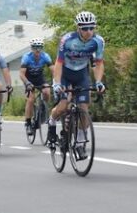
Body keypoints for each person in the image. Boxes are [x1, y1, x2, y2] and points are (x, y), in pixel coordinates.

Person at [47, 11, 106, 161]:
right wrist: (58, 83)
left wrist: (98, 81)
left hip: (81, 74)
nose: (88, 32)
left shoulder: (98, 41)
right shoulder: (67, 40)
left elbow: (98, 63)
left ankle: (80, 142)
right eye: (85, 28)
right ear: (78, 28)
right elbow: (58, 63)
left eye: (91, 28)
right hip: (65, 74)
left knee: (84, 107)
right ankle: (52, 121)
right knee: (63, 105)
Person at [19, 37, 53, 135]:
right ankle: (28, 123)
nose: (37, 50)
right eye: (35, 48)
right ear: (32, 48)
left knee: (47, 92)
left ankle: (42, 112)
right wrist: (27, 83)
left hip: (40, 79)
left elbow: (53, 69)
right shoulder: (26, 57)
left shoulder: (45, 56)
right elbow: (21, 74)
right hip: (28, 80)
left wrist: (57, 81)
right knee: (31, 99)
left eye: (39, 47)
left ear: (42, 48)